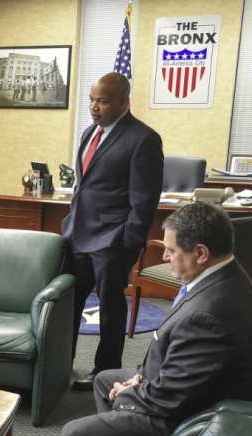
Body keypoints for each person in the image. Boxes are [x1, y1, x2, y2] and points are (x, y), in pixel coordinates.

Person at [60, 202, 252, 436]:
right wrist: (138, 377)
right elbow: (174, 355)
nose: (166, 257)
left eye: (171, 250)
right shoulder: (225, 276)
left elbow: (170, 398)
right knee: (105, 379)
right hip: (190, 387)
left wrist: (130, 393)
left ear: (200, 253)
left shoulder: (211, 312)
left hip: (195, 417)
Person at [62, 72, 164, 390]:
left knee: (110, 307)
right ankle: (60, 363)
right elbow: (85, 185)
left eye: (102, 101)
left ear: (123, 101)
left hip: (112, 241)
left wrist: (128, 243)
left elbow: (144, 201)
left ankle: (104, 371)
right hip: (78, 235)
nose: (94, 107)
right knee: (68, 303)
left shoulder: (144, 139)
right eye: (91, 100)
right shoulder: (90, 132)